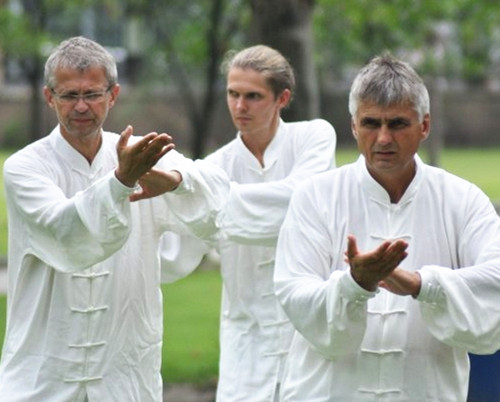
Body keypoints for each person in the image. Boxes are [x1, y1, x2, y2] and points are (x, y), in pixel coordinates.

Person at [0, 36, 229, 402]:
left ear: (113, 95)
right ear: (49, 97)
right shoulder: (25, 167)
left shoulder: (142, 154)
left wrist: (175, 182)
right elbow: (66, 233)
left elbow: (219, 196)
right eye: (69, 95)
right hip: (43, 380)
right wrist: (121, 182)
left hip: (124, 378)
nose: (80, 107)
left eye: (91, 94)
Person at [273, 53, 500, 401]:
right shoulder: (315, 198)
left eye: (397, 124)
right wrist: (354, 285)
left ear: (424, 125)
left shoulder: (462, 200)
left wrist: (424, 285)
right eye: (370, 123)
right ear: (353, 125)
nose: (382, 139)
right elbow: (295, 294)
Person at [143, 44, 336, 401]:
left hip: (309, 337)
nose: (240, 106)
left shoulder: (314, 138)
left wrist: (187, 186)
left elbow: (297, 203)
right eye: (233, 94)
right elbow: (175, 254)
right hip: (246, 345)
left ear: (283, 98)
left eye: (253, 96)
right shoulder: (214, 167)